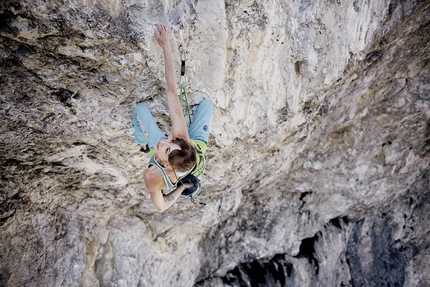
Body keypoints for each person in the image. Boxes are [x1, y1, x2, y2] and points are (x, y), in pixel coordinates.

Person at [133, 23, 213, 212]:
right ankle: (188, 145)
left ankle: (142, 143)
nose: (163, 143)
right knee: (207, 105)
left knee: (140, 111)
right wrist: (166, 46)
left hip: (180, 165)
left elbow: (161, 207)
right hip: (196, 146)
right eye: (170, 142)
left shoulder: (153, 176)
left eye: (166, 149)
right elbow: (171, 92)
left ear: (167, 165)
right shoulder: (181, 140)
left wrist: (182, 188)